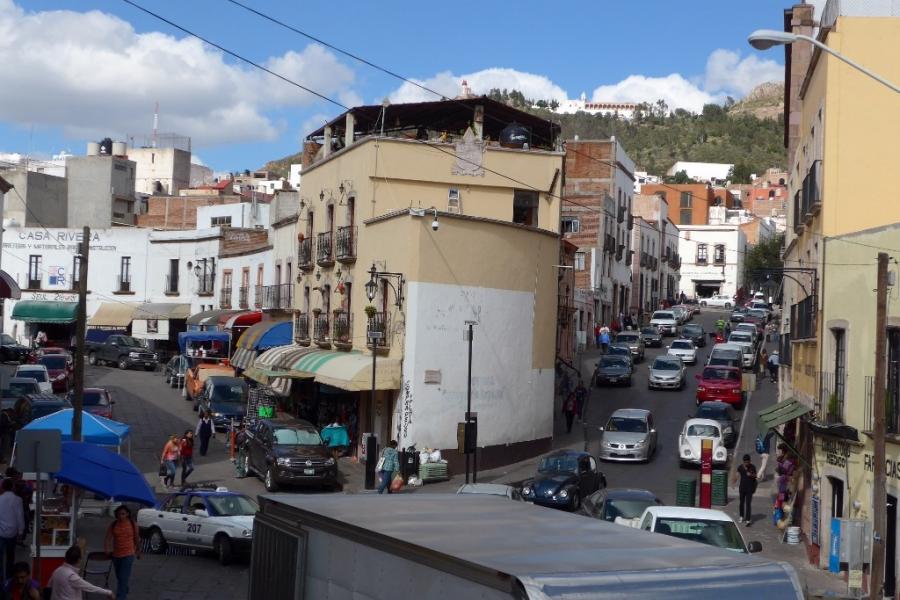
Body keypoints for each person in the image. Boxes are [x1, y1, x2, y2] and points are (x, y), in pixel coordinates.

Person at [48, 545, 113, 599]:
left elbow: (49, 586)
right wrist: (109, 592)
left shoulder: (57, 571)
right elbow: (90, 588)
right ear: (79, 560)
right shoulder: (71, 576)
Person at [104, 505, 140, 600]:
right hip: (116, 555)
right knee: (120, 576)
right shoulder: (114, 524)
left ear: (127, 514)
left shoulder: (133, 524)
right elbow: (108, 538)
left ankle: (121, 596)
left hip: (128, 554)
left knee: (123, 578)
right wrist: (107, 548)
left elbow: (136, 538)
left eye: (123, 514)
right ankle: (125, 587)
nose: (121, 516)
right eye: (119, 514)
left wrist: (138, 551)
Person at [0, 479, 24, 583]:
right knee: (10, 556)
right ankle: (9, 578)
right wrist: (20, 531)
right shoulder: (18, 500)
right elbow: (20, 516)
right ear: (12, 487)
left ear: (3, 487)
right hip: (13, 532)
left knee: (0, 557)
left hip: (1, 532)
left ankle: (1, 580)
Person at [732, 454, 758, 526]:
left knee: (748, 504)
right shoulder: (740, 467)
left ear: (750, 461)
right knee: (741, 503)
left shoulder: (752, 467)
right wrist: (733, 482)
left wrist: (751, 475)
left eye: (747, 462)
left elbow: (756, 476)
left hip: (749, 488)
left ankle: (748, 519)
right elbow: (737, 475)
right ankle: (741, 516)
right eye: (745, 462)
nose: (746, 463)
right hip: (742, 488)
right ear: (743, 461)